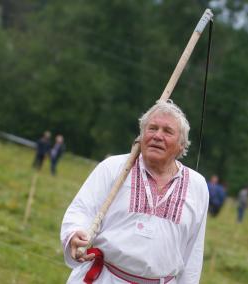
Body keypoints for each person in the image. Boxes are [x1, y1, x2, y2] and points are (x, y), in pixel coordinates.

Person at [61, 100, 209, 283]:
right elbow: (81, 210)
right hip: (104, 278)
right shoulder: (114, 168)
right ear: (141, 136)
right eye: (152, 128)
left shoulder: (197, 186)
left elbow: (193, 252)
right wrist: (76, 233)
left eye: (167, 131)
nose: (157, 136)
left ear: (181, 145)